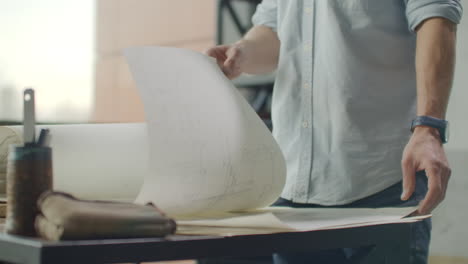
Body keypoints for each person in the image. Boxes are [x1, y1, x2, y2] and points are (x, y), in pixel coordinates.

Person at [205, 0, 463, 263]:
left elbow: (436, 17)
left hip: (382, 183)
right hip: (292, 188)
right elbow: (275, 30)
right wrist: (242, 53)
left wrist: (430, 127)